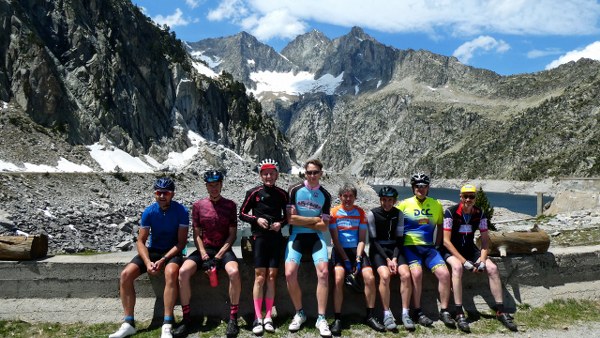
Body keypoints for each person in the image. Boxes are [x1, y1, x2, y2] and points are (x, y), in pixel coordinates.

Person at [109, 177, 189, 338]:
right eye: (159, 193)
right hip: (153, 251)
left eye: (165, 193)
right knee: (125, 275)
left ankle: (167, 323)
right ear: (155, 194)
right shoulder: (149, 212)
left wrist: (163, 260)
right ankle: (128, 322)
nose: (162, 196)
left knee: (171, 273)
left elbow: (181, 243)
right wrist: (147, 262)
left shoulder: (181, 211)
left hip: (172, 251)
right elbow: (141, 241)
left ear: (172, 194)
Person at [172, 170, 241, 338]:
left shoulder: (230, 205)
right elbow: (196, 234)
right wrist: (203, 256)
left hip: (223, 249)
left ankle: (233, 319)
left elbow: (232, 234)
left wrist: (218, 257)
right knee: (182, 272)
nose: (214, 188)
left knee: (234, 272)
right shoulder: (198, 206)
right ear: (206, 186)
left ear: (221, 185)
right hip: (205, 248)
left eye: (216, 185)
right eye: (210, 185)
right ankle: (186, 318)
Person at [441, 184, 518, 332]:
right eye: (466, 196)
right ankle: (459, 312)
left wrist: (482, 260)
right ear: (460, 197)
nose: (468, 199)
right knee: (457, 268)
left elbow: (484, 240)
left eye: (472, 196)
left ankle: (500, 310)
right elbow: (446, 241)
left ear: (476, 198)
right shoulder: (450, 213)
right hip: (451, 249)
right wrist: (465, 262)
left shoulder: (480, 213)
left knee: (493, 268)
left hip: (470, 249)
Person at [396, 173, 455, 328]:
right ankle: (418, 311)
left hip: (429, 248)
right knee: (416, 273)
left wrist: (437, 245)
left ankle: (444, 311)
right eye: (417, 186)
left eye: (423, 186)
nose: (420, 189)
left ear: (428, 188)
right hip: (410, 247)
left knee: (444, 274)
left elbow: (441, 226)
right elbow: (395, 227)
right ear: (413, 188)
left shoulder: (436, 205)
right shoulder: (404, 205)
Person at [239, 159, 289, 335]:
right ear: (261, 175)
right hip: (259, 237)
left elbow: (288, 216)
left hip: (275, 237)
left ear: (276, 175)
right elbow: (242, 214)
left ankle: (268, 316)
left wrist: (280, 224)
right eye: (265, 173)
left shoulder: (283, 194)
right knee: (259, 277)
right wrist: (256, 219)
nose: (269, 176)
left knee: (272, 276)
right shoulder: (253, 193)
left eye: (272, 173)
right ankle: (257, 317)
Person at [328, 183, 386, 335]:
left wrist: (358, 259)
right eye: (345, 196)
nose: (348, 199)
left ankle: (370, 315)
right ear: (340, 197)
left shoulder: (360, 213)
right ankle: (337, 318)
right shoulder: (334, 213)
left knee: (370, 278)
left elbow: (362, 239)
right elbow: (335, 240)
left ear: (355, 197)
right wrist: (346, 260)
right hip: (340, 251)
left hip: (357, 250)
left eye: (351, 196)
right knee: (339, 278)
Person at [285, 159, 332, 337]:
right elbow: (290, 220)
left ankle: (321, 318)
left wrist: (304, 220)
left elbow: (324, 227)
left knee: (324, 273)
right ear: (305, 173)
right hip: (296, 236)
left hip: (316, 238)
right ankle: (300, 313)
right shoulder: (295, 190)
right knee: (289, 273)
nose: (312, 176)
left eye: (315, 172)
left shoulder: (325, 195)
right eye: (309, 172)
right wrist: (314, 220)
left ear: (321, 173)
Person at [367, 186, 415, 331]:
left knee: (406, 275)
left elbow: (399, 239)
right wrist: (387, 260)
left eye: (390, 200)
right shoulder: (372, 214)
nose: (386, 203)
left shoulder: (399, 214)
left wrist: (394, 258)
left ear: (394, 201)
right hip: (378, 250)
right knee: (385, 276)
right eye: (383, 200)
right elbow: (373, 241)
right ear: (380, 200)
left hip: (394, 249)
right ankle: (386, 314)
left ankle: (405, 313)